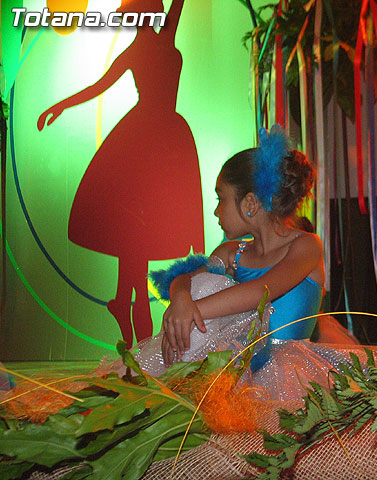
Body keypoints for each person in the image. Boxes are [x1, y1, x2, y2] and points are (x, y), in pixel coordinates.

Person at [37, 0, 204, 348]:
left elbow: (98, 86)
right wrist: (60, 106)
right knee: (135, 233)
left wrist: (59, 107)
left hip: (159, 142)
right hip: (148, 144)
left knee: (137, 235)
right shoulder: (146, 46)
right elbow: (99, 87)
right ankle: (133, 325)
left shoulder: (158, 38)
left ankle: (124, 306)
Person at [160, 125, 324, 369]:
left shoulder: (306, 245)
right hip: (240, 372)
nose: (216, 211)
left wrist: (192, 312)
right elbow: (184, 277)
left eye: (221, 198)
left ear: (250, 203)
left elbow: (261, 291)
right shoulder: (230, 253)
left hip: (292, 375)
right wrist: (181, 299)